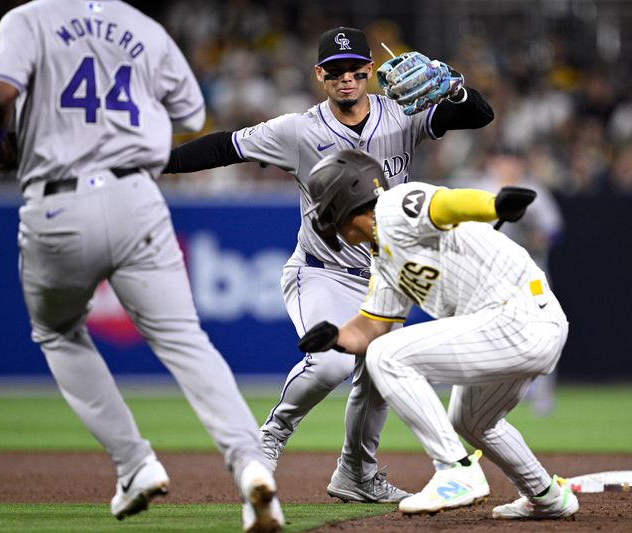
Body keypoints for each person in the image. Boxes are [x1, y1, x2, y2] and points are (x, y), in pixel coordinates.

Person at [0, 1, 283, 531]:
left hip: (57, 201)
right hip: (136, 194)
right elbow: (189, 115)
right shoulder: (145, 27)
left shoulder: (26, 19)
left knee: (56, 333)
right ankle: (253, 465)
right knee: (186, 340)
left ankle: (135, 465)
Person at [164, 26, 494, 503]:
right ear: (321, 75)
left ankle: (356, 473)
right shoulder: (298, 129)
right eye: (336, 72)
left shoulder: (401, 111)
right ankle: (269, 438)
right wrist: (160, 161)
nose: (347, 80)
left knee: (380, 372)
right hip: (322, 269)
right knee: (329, 365)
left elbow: (479, 115)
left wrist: (454, 85)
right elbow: (223, 147)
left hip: (386, 277)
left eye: (356, 71)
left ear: (369, 74)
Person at [298, 149, 579, 519]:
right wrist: (334, 336)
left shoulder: (394, 206)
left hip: (519, 314)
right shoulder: (383, 258)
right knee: (472, 421)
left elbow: (446, 203)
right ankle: (546, 498)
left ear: (341, 203)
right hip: (510, 326)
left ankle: (456, 471)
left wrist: (493, 206)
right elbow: (372, 326)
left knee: (387, 356)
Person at [466, 151, 564, 417]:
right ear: (493, 163)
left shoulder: (534, 191)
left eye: (512, 162)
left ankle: (541, 396)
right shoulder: (480, 188)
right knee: (485, 335)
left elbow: (554, 230)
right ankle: (488, 397)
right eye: (502, 161)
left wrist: (542, 237)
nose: (507, 166)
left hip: (531, 274)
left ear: (520, 164)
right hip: (491, 276)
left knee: (542, 332)